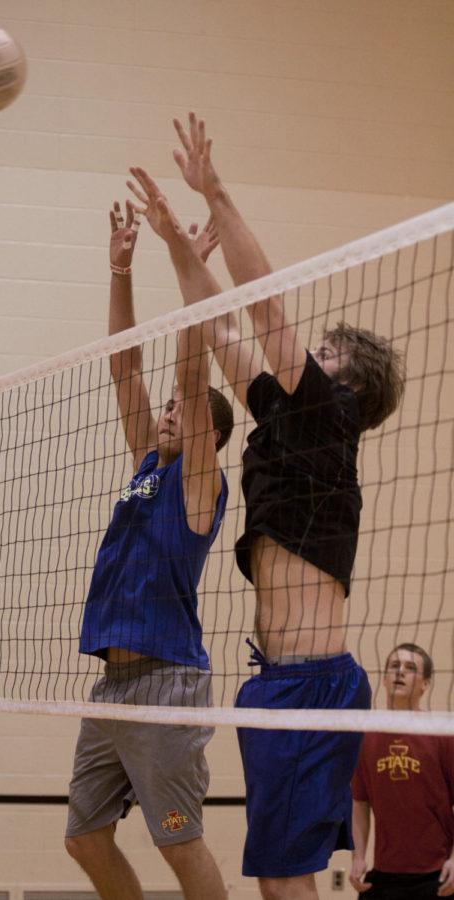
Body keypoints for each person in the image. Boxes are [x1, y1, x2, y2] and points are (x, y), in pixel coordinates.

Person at [127, 111, 406, 900]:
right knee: (282, 882)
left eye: (323, 355)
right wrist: (179, 246)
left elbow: (265, 307)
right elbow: (217, 321)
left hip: (310, 684)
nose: (304, 356)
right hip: (280, 685)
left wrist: (216, 192)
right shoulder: (286, 417)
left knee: (285, 884)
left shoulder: (326, 418)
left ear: (342, 385)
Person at [64, 198, 234, 900]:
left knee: (178, 839)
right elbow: (122, 366)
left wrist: (187, 263)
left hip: (167, 684)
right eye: (163, 406)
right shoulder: (146, 464)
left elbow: (192, 383)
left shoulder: (201, 484)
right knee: (83, 836)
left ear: (207, 437)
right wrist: (120, 266)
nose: (167, 410)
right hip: (115, 684)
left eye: (179, 410)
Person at [350, 643, 454, 898]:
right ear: (384, 679)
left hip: (437, 873)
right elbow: (360, 802)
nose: (400, 672)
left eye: (410, 668)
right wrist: (358, 856)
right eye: (394, 666)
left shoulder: (441, 733)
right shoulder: (366, 735)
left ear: (425, 684)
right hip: (385, 874)